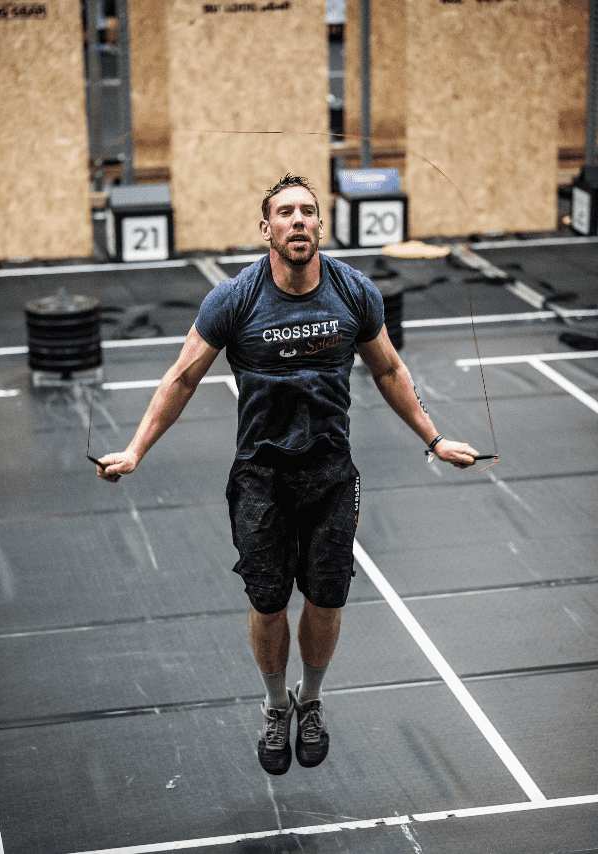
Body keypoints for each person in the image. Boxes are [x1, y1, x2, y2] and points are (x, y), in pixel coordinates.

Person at [95, 174, 479, 776]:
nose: (298, 220)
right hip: (261, 475)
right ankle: (277, 706)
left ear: (321, 225)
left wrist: (433, 437)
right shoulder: (235, 299)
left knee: (326, 599)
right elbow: (182, 377)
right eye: (285, 212)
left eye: (308, 211)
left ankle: (313, 699)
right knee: (269, 600)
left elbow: (388, 370)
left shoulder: (354, 293)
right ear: (265, 228)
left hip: (330, 471)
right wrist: (136, 450)